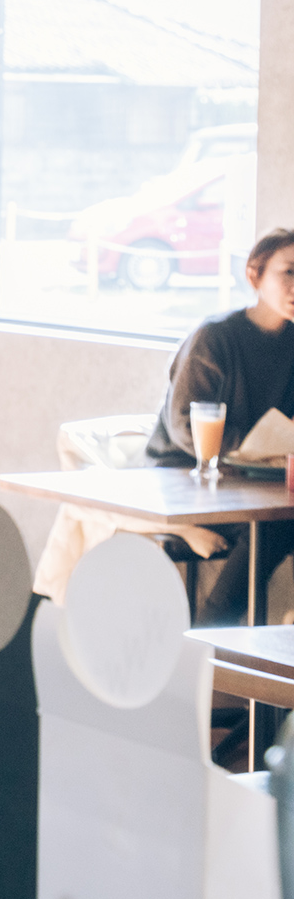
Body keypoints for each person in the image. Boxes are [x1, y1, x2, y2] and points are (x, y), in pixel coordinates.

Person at [147, 227, 294, 622]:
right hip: (187, 473)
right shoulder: (216, 337)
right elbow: (184, 425)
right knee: (274, 528)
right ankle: (215, 632)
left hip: (254, 478)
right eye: (289, 272)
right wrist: (249, 450)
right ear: (254, 275)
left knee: (279, 521)